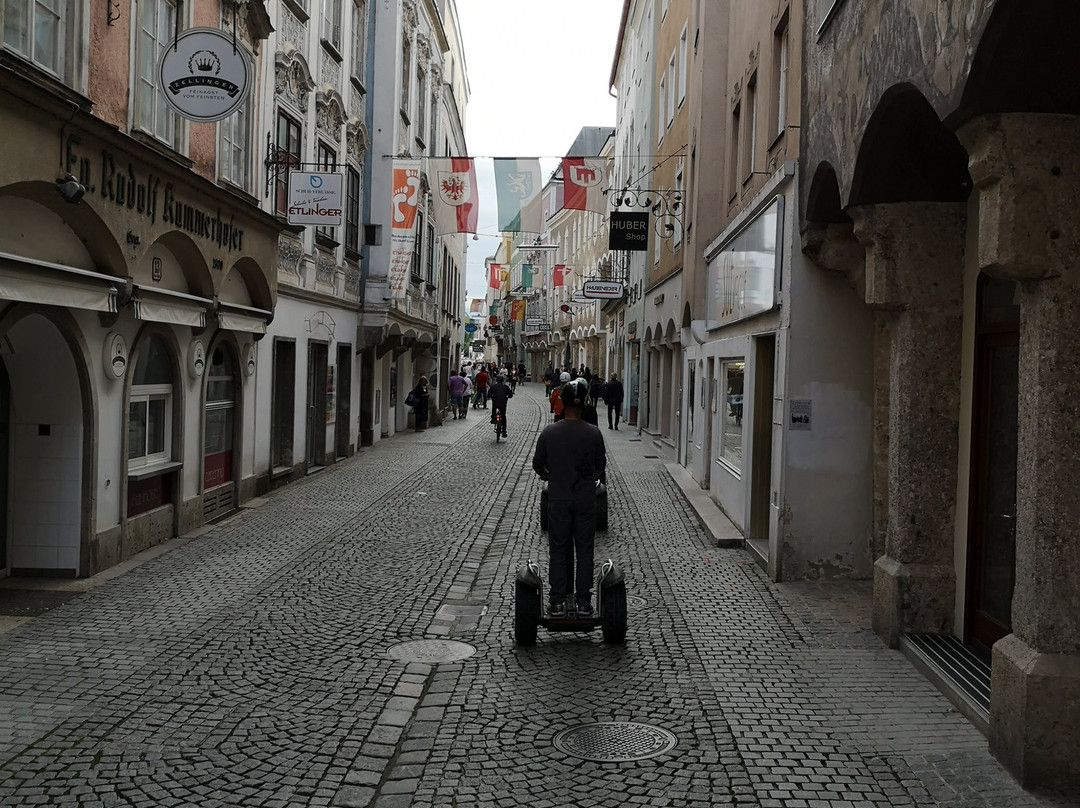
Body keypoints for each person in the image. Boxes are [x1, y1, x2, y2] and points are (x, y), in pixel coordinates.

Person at [532, 380, 607, 617]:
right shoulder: (593, 433)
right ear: (584, 403)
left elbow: (537, 465)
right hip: (584, 499)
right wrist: (586, 478)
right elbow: (600, 467)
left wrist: (551, 476)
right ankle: (584, 602)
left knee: (558, 549)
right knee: (585, 550)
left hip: (559, 498)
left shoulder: (550, 432)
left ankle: (556, 601)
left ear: (562, 403)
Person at [487, 371, 512, 437]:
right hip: (503, 403)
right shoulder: (506, 387)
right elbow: (510, 395)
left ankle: (493, 418)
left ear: (496, 380)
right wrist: (508, 396)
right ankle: (504, 431)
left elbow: (489, 394)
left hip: (495, 402)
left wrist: (490, 396)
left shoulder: (493, 386)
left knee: (494, 408)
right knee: (503, 416)